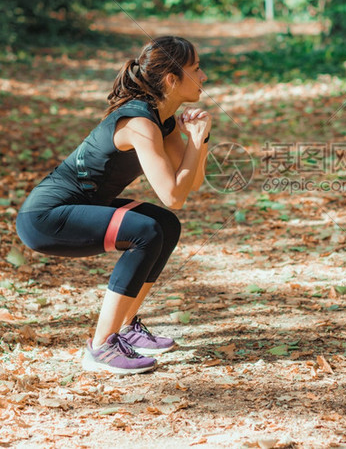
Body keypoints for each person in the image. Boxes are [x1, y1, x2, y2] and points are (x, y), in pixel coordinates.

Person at [16, 35, 211, 374]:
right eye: (197, 69)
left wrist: (199, 140)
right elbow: (174, 194)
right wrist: (193, 141)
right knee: (146, 231)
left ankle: (126, 328)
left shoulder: (162, 121)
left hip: (81, 207)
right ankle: (102, 346)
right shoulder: (139, 123)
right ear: (171, 79)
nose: (204, 76)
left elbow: (189, 183)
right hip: (45, 217)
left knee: (165, 225)